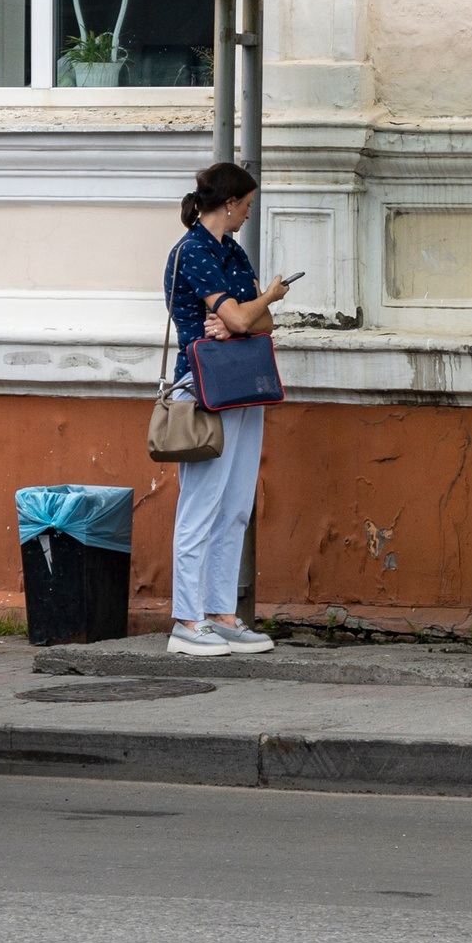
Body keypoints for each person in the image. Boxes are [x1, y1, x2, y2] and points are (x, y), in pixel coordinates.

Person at [161, 161, 290, 658]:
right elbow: (241, 313)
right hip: (203, 386)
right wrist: (258, 303)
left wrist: (247, 316)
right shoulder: (191, 252)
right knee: (201, 502)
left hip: (240, 382)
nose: (249, 214)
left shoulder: (231, 251)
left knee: (235, 503)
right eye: (248, 205)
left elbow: (263, 323)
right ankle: (186, 620)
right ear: (230, 202)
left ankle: (219, 614)